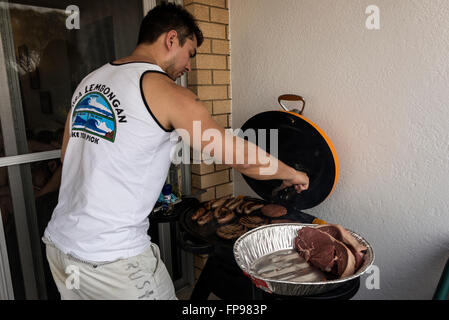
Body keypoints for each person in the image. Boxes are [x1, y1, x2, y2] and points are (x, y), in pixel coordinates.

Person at [43, 3, 309, 300]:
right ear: (171, 39)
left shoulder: (89, 82)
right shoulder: (165, 90)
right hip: (113, 259)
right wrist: (292, 173)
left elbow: (69, 156)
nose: (189, 66)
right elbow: (235, 154)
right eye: (190, 53)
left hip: (60, 246)